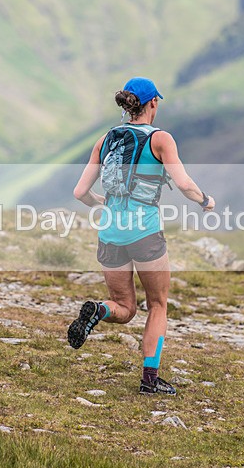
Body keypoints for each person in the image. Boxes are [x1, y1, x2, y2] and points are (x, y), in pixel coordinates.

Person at [68, 76, 215, 395]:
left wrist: (101, 203)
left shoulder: (106, 139)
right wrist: (205, 200)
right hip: (145, 233)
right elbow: (185, 183)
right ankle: (150, 380)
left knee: (124, 307)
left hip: (110, 235)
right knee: (158, 304)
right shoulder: (161, 139)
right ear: (152, 103)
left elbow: (80, 192)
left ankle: (99, 309)